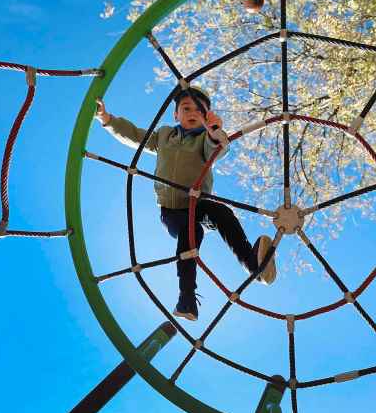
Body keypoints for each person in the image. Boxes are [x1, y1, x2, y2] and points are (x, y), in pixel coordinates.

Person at [95, 86, 276, 321]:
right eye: (186, 108)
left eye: (199, 111)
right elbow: (136, 136)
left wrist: (214, 132)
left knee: (222, 213)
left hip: (198, 203)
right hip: (171, 210)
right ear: (175, 114)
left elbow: (218, 150)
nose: (192, 113)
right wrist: (107, 119)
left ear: (208, 116)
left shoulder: (204, 139)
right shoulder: (164, 136)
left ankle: (253, 265)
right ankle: (187, 298)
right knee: (191, 232)